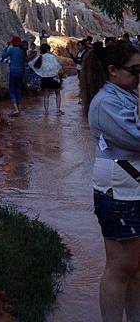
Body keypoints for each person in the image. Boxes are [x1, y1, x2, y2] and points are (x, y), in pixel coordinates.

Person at [81, 41, 140, 322]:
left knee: (136, 267)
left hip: (130, 189)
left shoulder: (125, 96)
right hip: (119, 193)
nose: (139, 76)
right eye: (135, 70)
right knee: (120, 268)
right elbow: (136, 139)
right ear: (113, 71)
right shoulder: (106, 103)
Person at [29, 43, 64, 115]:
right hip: (54, 78)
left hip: (44, 79)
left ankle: (46, 112)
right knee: (57, 94)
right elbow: (58, 66)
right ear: (48, 50)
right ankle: (58, 111)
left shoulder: (40, 57)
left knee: (46, 95)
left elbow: (31, 64)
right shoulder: (52, 57)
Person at [1, 36, 28, 117]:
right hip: (21, 73)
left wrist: (6, 47)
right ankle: (19, 110)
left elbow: (3, 56)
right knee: (18, 90)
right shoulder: (22, 51)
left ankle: (16, 110)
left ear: (13, 43)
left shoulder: (12, 49)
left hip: (14, 72)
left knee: (12, 90)